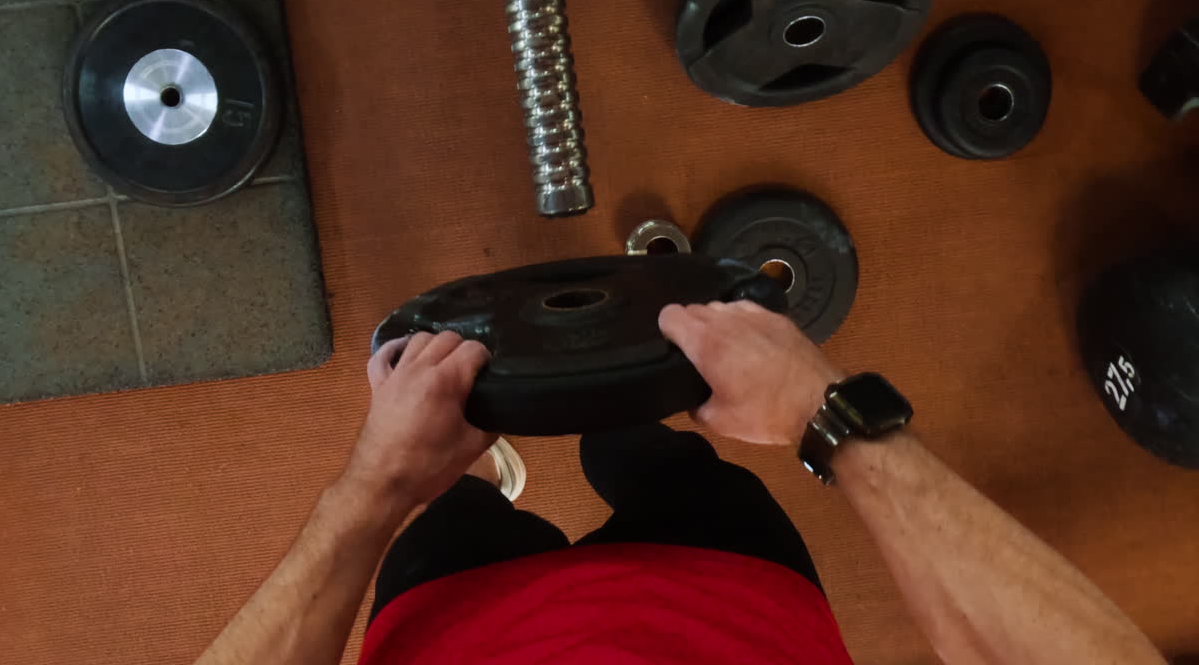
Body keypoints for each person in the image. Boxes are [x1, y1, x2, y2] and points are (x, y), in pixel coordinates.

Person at [192, 302, 1166, 665]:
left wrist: (378, 485)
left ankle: (476, 464)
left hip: (451, 616)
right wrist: (824, 414)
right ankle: (622, 387)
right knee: (650, 457)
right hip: (728, 595)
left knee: (456, 507)